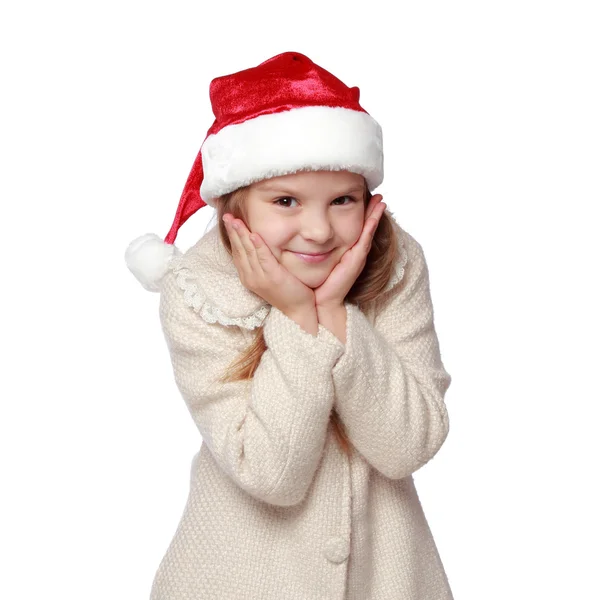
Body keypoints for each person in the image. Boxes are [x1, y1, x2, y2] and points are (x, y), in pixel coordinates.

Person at [125, 50, 454, 600]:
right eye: (286, 201)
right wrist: (300, 318)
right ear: (237, 208)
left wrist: (336, 317)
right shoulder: (199, 292)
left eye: (343, 200)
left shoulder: (397, 266)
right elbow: (271, 476)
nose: (320, 230)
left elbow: (409, 445)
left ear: (369, 201)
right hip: (236, 577)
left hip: (386, 576)